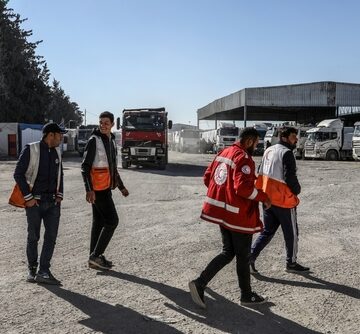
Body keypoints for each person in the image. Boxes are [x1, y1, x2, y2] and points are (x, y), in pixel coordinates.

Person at [189, 128, 271, 308]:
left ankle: (200, 283)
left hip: (224, 213)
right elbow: (243, 188)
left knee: (228, 252)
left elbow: (208, 178)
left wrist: (225, 195)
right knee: (243, 256)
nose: (256, 147)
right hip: (238, 216)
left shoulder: (224, 152)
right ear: (249, 141)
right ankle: (246, 295)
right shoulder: (243, 157)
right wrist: (264, 197)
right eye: (256, 143)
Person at [14, 122, 67, 285]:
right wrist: (28, 198)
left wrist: (59, 195)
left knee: (51, 237)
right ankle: (32, 269)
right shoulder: (31, 149)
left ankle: (44, 271)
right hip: (35, 203)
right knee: (33, 237)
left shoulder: (57, 152)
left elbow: (61, 175)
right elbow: (18, 174)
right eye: (60, 135)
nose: (61, 138)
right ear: (50, 135)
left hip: (52, 203)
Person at [250, 127, 310, 273]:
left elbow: (260, 171)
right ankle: (291, 263)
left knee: (267, 232)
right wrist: (297, 190)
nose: (296, 139)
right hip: (283, 201)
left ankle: (249, 258)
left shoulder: (268, 150)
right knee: (292, 233)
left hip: (267, 200)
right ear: (284, 137)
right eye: (293, 137)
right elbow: (290, 177)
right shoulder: (287, 153)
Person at [81, 111, 129, 270]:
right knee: (112, 221)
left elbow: (113, 167)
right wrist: (89, 189)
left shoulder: (112, 141)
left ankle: (94, 257)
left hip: (106, 187)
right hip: (97, 189)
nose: (103, 125)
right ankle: (96, 256)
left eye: (106, 123)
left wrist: (121, 186)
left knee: (99, 222)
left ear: (112, 125)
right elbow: (85, 167)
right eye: (101, 122)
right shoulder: (94, 140)